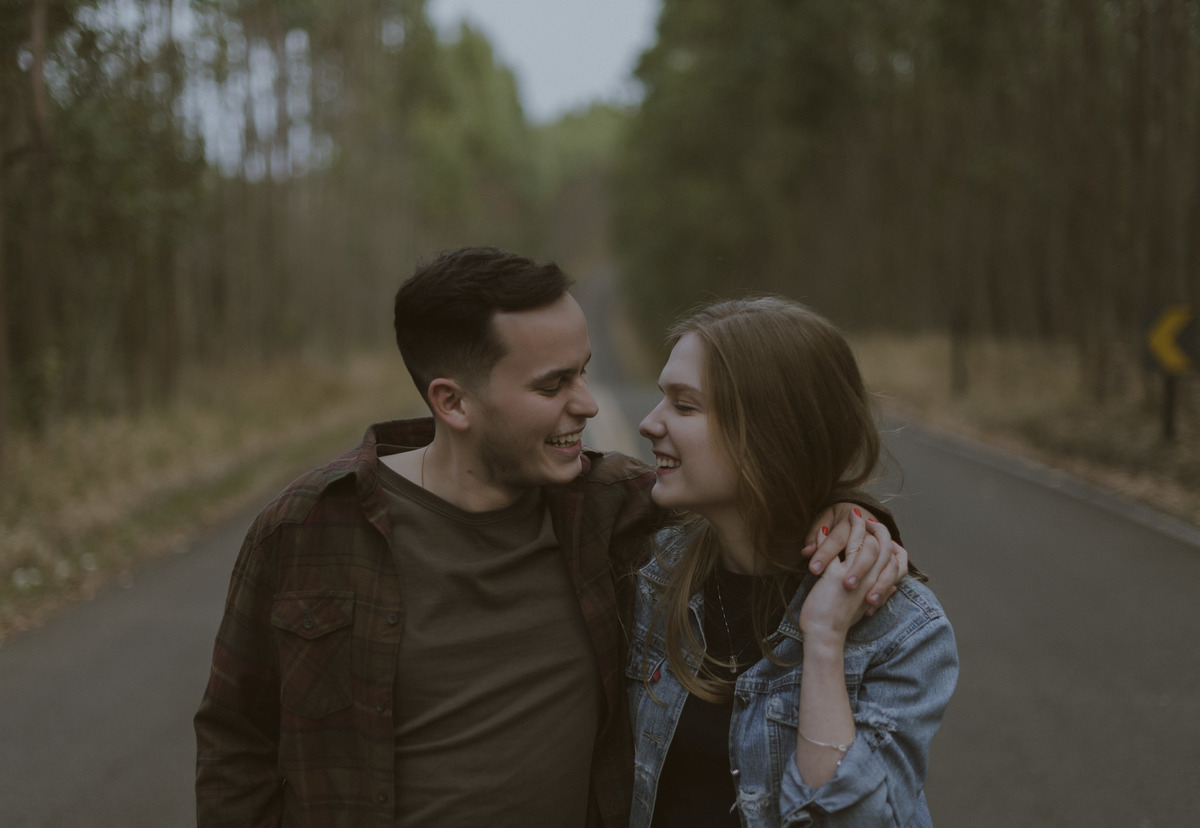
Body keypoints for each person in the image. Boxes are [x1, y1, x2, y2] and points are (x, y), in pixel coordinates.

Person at [194, 247, 908, 827]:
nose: (589, 404)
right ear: (453, 401)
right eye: (552, 384)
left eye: (586, 372)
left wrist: (844, 516)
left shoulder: (616, 512)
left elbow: (757, 502)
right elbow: (236, 742)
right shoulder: (307, 529)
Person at [628, 297, 958, 827]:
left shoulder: (899, 629)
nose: (648, 423)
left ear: (769, 434)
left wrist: (824, 640)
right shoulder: (651, 572)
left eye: (684, 406)